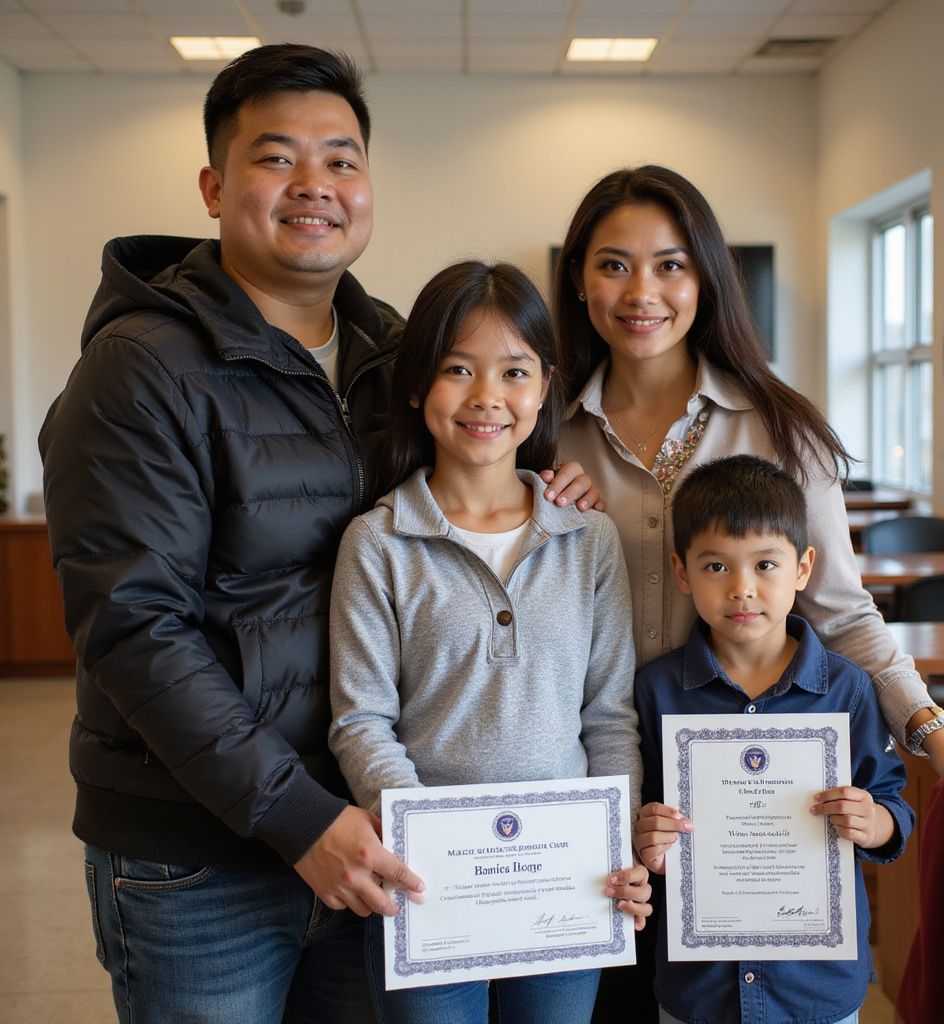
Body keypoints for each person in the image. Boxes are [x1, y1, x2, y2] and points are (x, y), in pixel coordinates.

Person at [37, 45, 593, 1024]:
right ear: (213, 185)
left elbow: (445, 516)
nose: (314, 187)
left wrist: (537, 486)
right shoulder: (140, 369)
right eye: (276, 157)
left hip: (368, 824)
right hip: (198, 852)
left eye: (341, 160)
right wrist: (300, 818)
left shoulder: (390, 350)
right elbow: (134, 627)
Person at [550, 164, 944, 1022]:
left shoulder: (780, 423)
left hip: (746, 802)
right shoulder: (541, 426)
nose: (641, 291)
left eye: (670, 265)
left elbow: (842, 610)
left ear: (706, 276)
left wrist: (934, 733)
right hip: (598, 779)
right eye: (613, 264)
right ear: (579, 279)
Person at [328, 260, 651, 1024]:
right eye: (458, 370)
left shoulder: (590, 539)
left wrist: (620, 842)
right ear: (417, 387)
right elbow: (361, 720)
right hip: (428, 887)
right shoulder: (377, 543)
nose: (486, 398)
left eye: (514, 371)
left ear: (544, 388)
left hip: (569, 883)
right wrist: (426, 838)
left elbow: (609, 717)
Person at [634, 454, 914, 1024]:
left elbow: (893, 806)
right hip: (699, 986)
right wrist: (646, 835)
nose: (742, 589)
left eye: (766, 564)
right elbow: (639, 814)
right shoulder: (656, 690)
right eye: (715, 567)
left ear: (804, 568)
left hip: (815, 984)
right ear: (681, 572)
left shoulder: (848, 690)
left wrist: (874, 821)